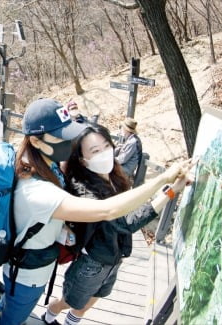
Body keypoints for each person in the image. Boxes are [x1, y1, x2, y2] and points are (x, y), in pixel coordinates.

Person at [0, 98, 193, 325]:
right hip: (27, 275)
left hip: (40, 266)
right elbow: (107, 211)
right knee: (12, 320)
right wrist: (163, 180)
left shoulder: (47, 164)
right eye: (60, 135)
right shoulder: (37, 189)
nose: (68, 140)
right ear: (35, 140)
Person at [42, 124, 190, 325]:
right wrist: (166, 184)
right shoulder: (85, 190)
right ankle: (50, 314)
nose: (104, 153)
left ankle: (70, 322)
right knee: (71, 301)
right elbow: (126, 221)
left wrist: (172, 189)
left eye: (106, 146)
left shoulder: (113, 176)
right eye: (95, 151)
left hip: (114, 257)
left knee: (96, 297)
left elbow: (129, 211)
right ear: (82, 160)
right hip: (91, 263)